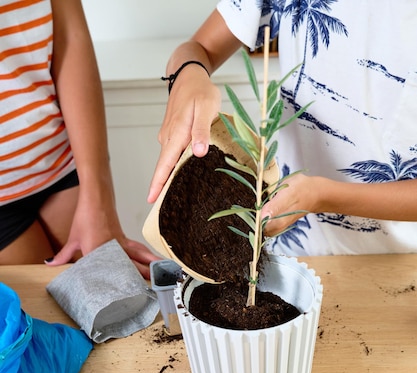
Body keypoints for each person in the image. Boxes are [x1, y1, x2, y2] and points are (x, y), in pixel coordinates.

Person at [148, 1, 417, 256]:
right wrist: (189, 73)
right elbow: (196, 48)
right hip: (288, 249)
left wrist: (320, 196)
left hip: (402, 262)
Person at [0, 0, 158, 279]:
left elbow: (70, 36)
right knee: (36, 319)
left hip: (62, 159)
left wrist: (98, 198)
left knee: (116, 301)